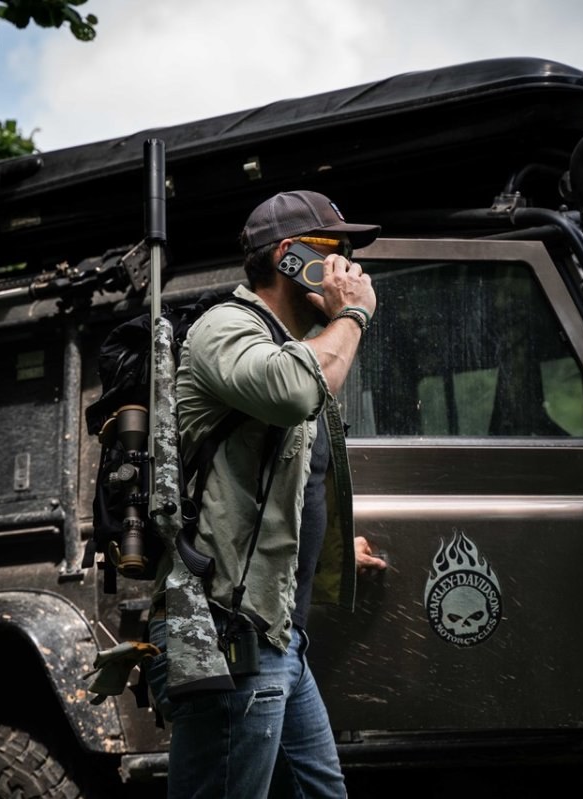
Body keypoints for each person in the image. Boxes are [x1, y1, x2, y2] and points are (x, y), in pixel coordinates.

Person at [147, 190, 388, 798]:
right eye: (334, 249)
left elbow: (280, 485)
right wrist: (351, 315)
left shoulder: (289, 347)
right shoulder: (226, 327)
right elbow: (294, 392)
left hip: (279, 636)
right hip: (230, 633)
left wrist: (331, 550)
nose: (349, 266)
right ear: (289, 257)